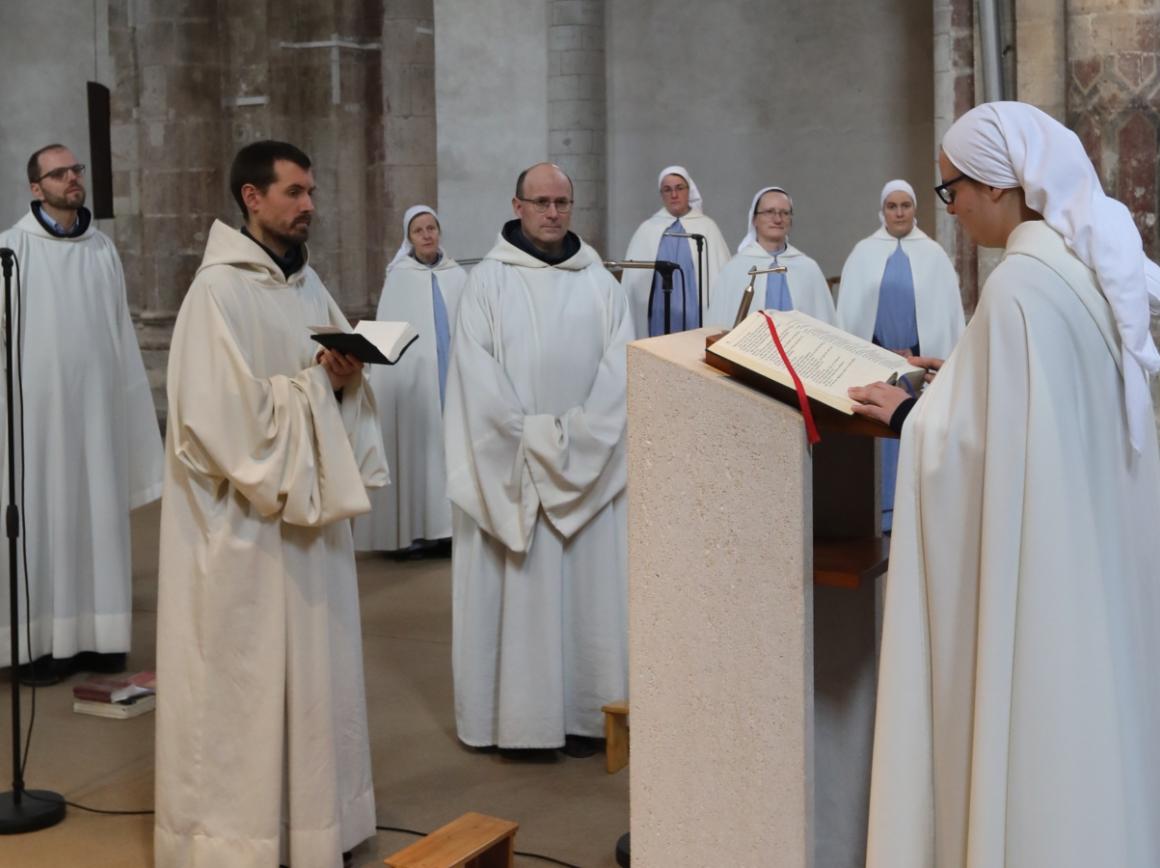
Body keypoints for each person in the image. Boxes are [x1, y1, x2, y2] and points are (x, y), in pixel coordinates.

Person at [850, 103, 1160, 867]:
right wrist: (962, 378)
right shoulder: (1079, 261)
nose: (950, 212)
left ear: (995, 186)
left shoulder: (1019, 285)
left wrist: (913, 415)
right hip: (1088, 559)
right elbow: (1042, 416)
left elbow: (979, 454)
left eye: (950, 193)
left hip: (1046, 582)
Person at [154, 140, 388, 867]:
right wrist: (317, 388)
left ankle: (314, 826)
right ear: (252, 199)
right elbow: (219, 422)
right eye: (294, 192)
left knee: (316, 683)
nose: (309, 205)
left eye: (312, 191)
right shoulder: (216, 294)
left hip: (308, 532)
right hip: (242, 534)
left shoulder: (308, 288)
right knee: (241, 688)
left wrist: (346, 381)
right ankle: (237, 841)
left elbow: (328, 392)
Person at [444, 162, 632, 756]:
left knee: (588, 598)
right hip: (515, 472)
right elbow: (477, 384)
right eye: (542, 202)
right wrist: (544, 445)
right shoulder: (488, 283)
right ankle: (518, 723)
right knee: (519, 592)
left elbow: (623, 377)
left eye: (562, 202)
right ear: (517, 205)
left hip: (587, 471)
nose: (553, 213)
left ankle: (586, 713)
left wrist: (575, 442)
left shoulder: (600, 282)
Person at [0, 143, 163, 682]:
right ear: (35, 188)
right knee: (42, 520)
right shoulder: (10, 251)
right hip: (35, 425)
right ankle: (37, 645)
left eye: (76, 170)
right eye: (59, 173)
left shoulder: (101, 250)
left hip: (95, 419)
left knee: (95, 517)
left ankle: (99, 637)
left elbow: (119, 335)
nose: (72, 178)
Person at [836, 180, 964, 530]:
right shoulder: (863, 253)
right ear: (883, 210)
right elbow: (849, 316)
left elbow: (947, 318)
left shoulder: (934, 255)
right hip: (873, 364)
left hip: (918, 371)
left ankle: (916, 514)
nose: (899, 212)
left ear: (915, 209)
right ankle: (878, 512)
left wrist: (919, 354)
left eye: (905, 205)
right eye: (892, 206)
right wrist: (874, 350)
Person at [353, 205, 466, 556]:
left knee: (451, 451)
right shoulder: (399, 277)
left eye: (432, 227)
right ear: (409, 237)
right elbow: (390, 337)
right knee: (419, 454)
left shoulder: (457, 275)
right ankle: (416, 534)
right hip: (415, 386)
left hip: (452, 379)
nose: (427, 235)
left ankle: (451, 529)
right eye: (419, 230)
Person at [705, 186, 837, 328]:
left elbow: (824, 325)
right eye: (769, 212)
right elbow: (719, 325)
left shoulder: (808, 268)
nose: (778, 219)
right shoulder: (734, 269)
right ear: (754, 219)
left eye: (784, 213)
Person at [622, 165, 730, 337]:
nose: (674, 195)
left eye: (679, 188)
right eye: (667, 190)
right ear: (661, 194)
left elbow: (722, 278)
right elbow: (633, 283)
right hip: (658, 312)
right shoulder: (647, 229)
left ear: (689, 190)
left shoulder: (707, 227)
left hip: (696, 313)